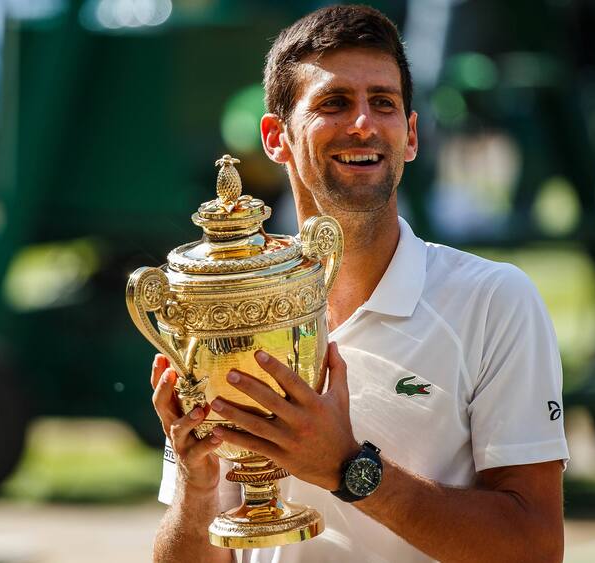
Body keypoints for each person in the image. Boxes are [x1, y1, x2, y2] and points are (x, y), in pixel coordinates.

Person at [149, 6, 569, 562]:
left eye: (384, 103)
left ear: (411, 135)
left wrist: (348, 468)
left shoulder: (495, 301)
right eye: (334, 103)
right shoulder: (229, 309)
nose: (364, 124)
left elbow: (536, 547)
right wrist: (196, 492)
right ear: (275, 138)